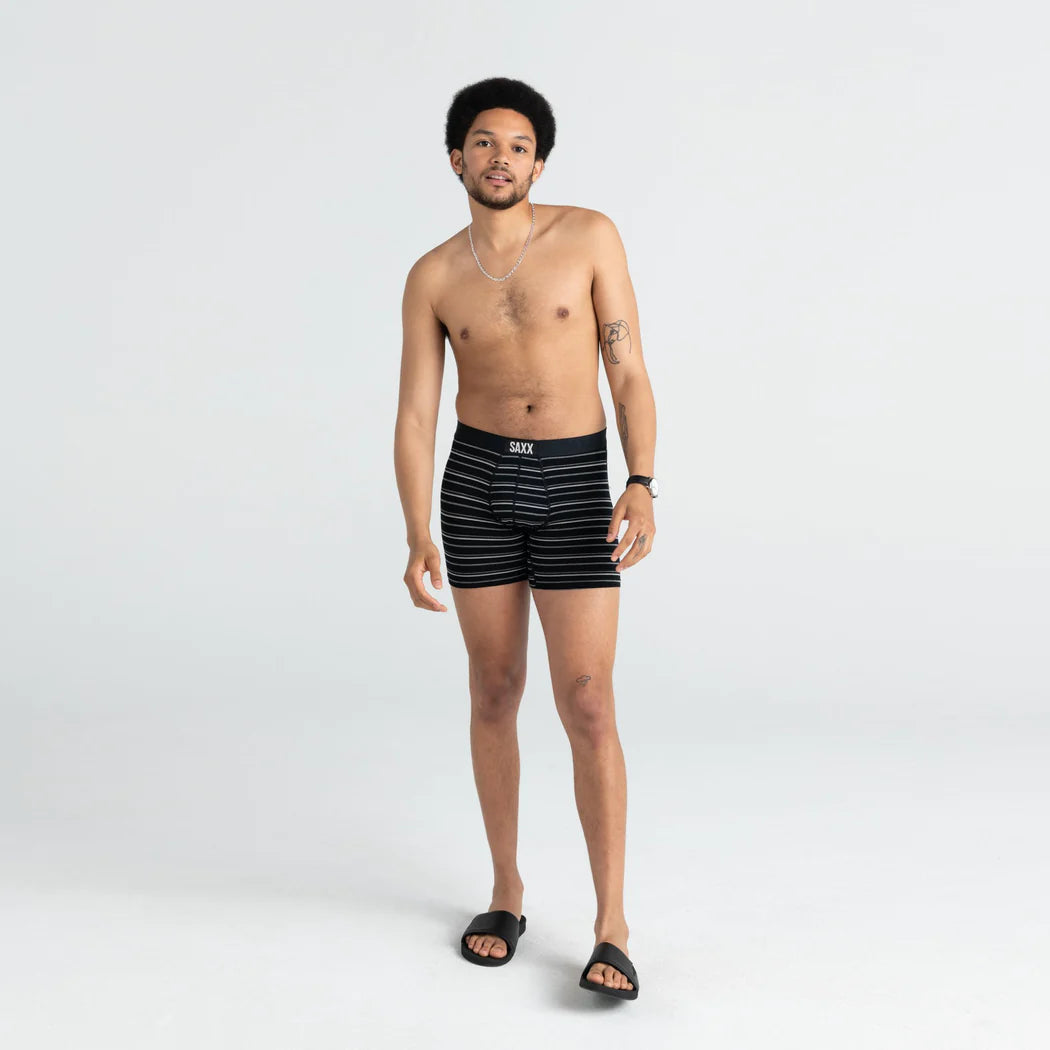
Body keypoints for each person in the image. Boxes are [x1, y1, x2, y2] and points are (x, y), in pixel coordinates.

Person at [393, 76, 658, 1001]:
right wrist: (415, 530)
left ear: (538, 163)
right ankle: (506, 891)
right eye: (483, 143)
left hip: (576, 483)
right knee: (495, 690)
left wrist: (641, 480)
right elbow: (416, 413)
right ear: (455, 159)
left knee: (587, 701)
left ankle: (613, 924)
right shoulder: (434, 275)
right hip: (476, 486)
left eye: (516, 146)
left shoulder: (588, 237)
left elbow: (628, 370)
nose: (499, 158)